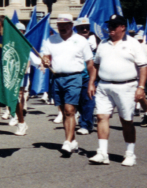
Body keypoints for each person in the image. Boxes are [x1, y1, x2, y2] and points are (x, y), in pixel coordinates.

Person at [87, 15, 147, 166]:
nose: (110, 29)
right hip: (104, 86)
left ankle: (130, 154)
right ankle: (102, 153)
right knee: (101, 117)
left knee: (126, 121)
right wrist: (91, 82)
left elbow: (143, 66)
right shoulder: (103, 44)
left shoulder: (133, 43)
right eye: (109, 26)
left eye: (114, 26)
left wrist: (141, 87)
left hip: (126, 86)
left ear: (123, 27)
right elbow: (96, 65)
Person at [40, 13, 94, 155]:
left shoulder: (81, 40)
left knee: (70, 110)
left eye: (65, 24)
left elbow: (90, 63)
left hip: (75, 77)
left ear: (71, 25)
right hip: (57, 78)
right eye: (59, 25)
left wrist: (92, 83)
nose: (62, 27)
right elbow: (46, 57)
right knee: (65, 111)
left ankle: (67, 142)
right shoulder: (51, 40)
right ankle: (73, 141)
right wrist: (45, 61)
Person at [0, 16, 28, 137]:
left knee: (12, 99)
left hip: (7, 74)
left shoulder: (9, 39)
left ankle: (22, 123)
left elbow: (13, 56)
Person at [75, 17, 98, 136]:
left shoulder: (96, 41)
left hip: (90, 76)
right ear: (77, 29)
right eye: (82, 28)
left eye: (87, 28)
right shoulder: (72, 41)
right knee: (78, 102)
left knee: (89, 100)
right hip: (75, 76)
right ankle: (88, 120)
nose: (85, 29)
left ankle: (84, 124)